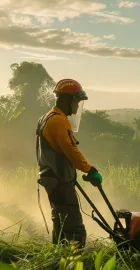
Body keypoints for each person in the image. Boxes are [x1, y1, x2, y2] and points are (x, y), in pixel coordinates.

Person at [36, 78, 103, 248]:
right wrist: (90, 169)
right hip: (59, 181)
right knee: (75, 229)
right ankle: (75, 267)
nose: (77, 106)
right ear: (67, 100)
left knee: (60, 222)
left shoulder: (47, 116)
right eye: (77, 101)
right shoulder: (58, 121)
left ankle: (58, 260)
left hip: (51, 178)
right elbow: (70, 149)